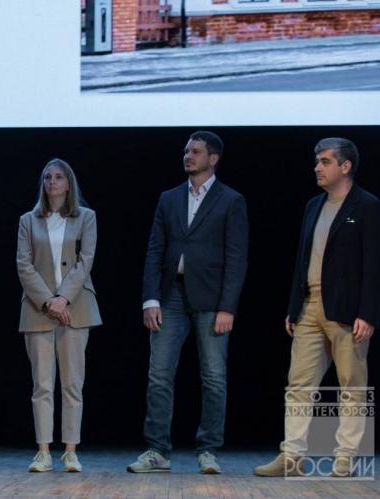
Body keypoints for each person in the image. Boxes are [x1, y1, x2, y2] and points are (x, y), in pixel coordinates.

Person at [255, 138, 380, 478]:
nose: (317, 167)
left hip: (348, 311)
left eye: (325, 161)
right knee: (298, 385)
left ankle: (346, 458)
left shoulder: (367, 206)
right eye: (317, 161)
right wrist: (293, 307)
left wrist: (368, 313)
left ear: (346, 166)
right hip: (309, 307)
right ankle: (292, 457)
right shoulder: (313, 205)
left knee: (351, 386)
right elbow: (302, 260)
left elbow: (375, 265)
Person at [128, 131, 248, 474]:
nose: (188, 156)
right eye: (186, 151)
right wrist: (150, 299)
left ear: (213, 159)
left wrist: (228, 307)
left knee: (213, 377)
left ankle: (208, 450)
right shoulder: (169, 198)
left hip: (212, 299)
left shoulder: (231, 200)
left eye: (196, 151)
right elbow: (154, 250)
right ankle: (158, 451)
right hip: (170, 296)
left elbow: (237, 257)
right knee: (159, 375)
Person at [16, 158, 102, 473]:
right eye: (47, 177)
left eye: (58, 177)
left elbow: (85, 260)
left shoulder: (86, 217)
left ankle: (70, 451)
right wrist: (48, 301)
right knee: (41, 384)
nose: (52, 182)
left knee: (72, 383)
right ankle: (43, 452)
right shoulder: (28, 220)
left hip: (75, 307)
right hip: (37, 309)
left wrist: (63, 298)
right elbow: (23, 264)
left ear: (69, 183)